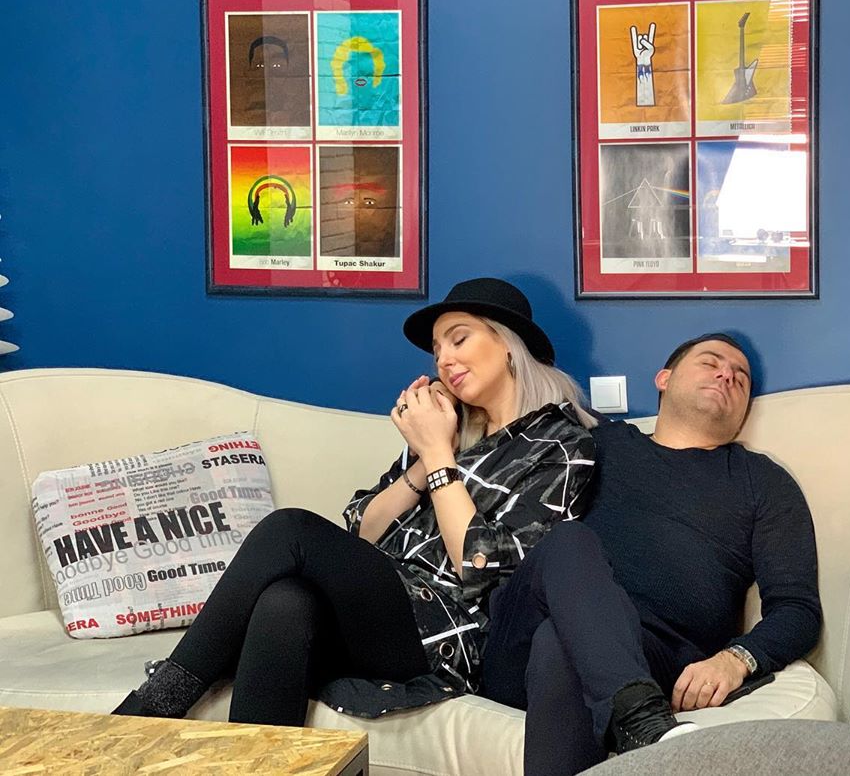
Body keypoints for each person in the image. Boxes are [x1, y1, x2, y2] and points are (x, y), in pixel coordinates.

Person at [113, 278, 597, 726]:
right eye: (437, 350)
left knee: (289, 529)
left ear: (509, 344)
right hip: (381, 612)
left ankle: (151, 709)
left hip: (451, 633)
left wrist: (436, 454)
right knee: (286, 603)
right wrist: (424, 459)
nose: (444, 361)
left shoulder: (560, 445)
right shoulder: (444, 430)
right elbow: (362, 531)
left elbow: (479, 564)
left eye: (459, 339)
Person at [481, 333, 822, 775]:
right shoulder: (597, 444)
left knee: (561, 643)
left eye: (741, 378)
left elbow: (797, 609)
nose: (727, 375)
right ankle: (644, 720)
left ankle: (633, 706)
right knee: (568, 541)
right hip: (518, 643)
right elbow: (512, 413)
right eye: (711, 363)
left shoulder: (764, 482)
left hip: (655, 658)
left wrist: (736, 659)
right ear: (664, 378)